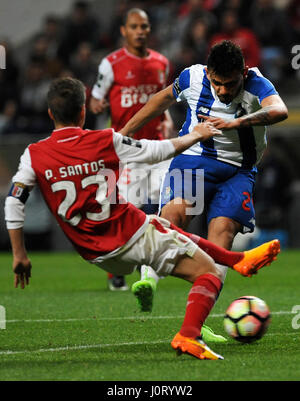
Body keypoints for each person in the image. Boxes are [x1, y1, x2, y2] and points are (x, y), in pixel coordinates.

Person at [4, 77, 280, 360]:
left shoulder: (33, 155)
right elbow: (156, 151)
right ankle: (189, 333)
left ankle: (237, 259)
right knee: (208, 274)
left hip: (92, 252)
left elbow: (14, 201)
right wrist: (196, 133)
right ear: (83, 111)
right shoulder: (104, 140)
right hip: (128, 236)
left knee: (161, 224)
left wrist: (19, 254)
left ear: (50, 113)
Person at [120, 40, 288, 333]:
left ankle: (199, 320)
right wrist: (122, 134)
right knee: (173, 219)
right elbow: (160, 100)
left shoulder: (257, 83)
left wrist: (238, 123)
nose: (223, 90)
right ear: (208, 72)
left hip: (238, 171)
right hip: (193, 161)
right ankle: (147, 279)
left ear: (243, 73)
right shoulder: (192, 76)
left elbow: (280, 111)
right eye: (217, 82)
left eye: (230, 83)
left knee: (221, 235)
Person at [90, 8, 174, 292]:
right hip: (125, 150)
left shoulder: (162, 62)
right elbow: (95, 99)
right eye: (135, 26)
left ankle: (149, 267)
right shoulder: (111, 63)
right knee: (123, 211)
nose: (141, 31)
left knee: (164, 207)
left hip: (157, 148)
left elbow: (163, 99)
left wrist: (168, 120)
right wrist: (97, 105)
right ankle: (117, 269)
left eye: (145, 26)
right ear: (124, 30)